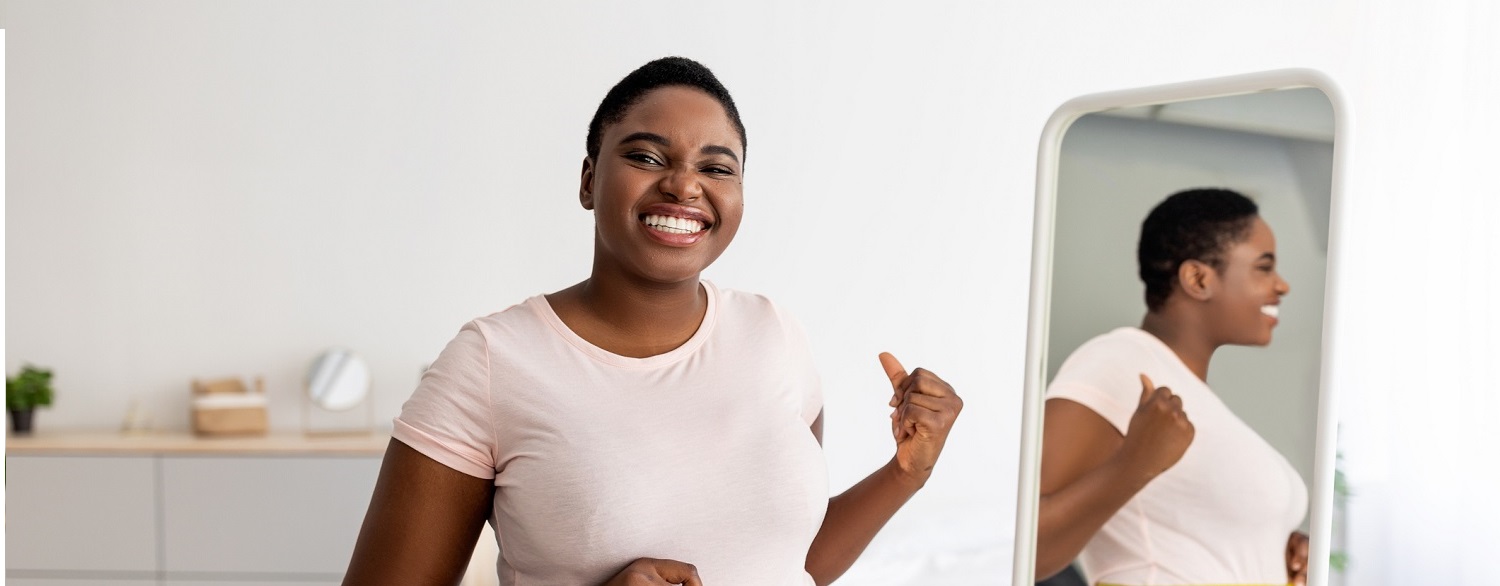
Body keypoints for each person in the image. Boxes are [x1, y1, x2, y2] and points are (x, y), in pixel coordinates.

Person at [342, 57, 963, 586]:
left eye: (717, 168)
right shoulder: (491, 361)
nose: (684, 185)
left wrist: (906, 473)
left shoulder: (773, 332)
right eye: (645, 155)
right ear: (589, 180)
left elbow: (787, 561)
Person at [1035, 189, 1310, 585]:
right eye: (1264, 268)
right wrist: (1135, 464)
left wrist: (1274, 555)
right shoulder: (1116, 362)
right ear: (1198, 278)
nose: (1281, 285)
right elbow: (1024, 547)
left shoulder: (1187, 389)